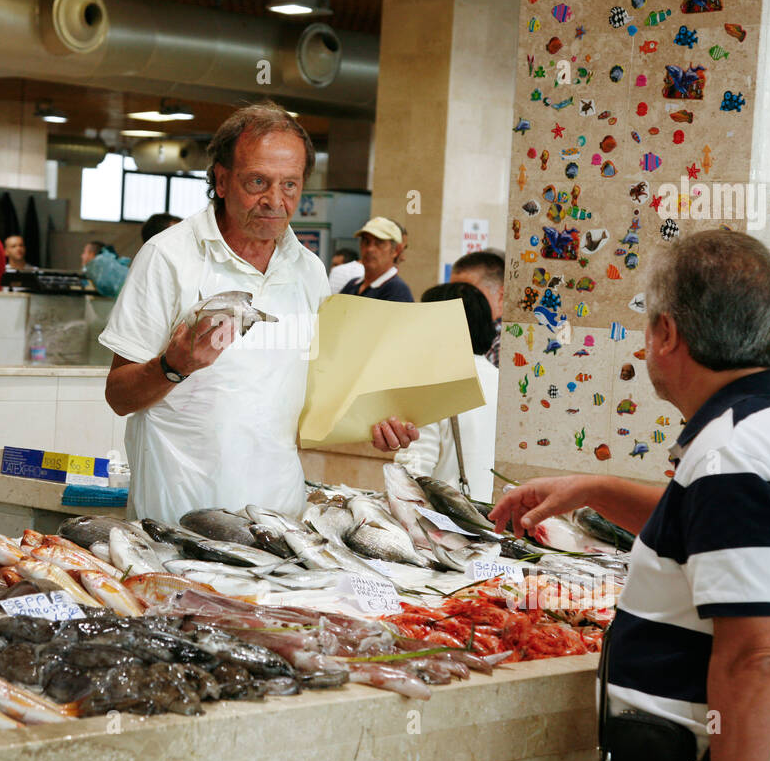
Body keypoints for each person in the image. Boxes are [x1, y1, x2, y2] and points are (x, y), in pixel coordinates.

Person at [490, 231, 770, 761]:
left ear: (666, 333)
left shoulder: (732, 456)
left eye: (648, 324)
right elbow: (714, 533)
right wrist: (592, 490)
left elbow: (753, 658)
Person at [100, 101, 417, 521]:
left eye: (290, 185)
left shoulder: (308, 270)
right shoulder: (168, 257)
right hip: (177, 518)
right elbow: (119, 396)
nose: (275, 200)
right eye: (258, 182)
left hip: (279, 519)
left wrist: (372, 422)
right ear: (222, 179)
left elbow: (315, 395)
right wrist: (173, 366)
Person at [397, 282, 498, 501]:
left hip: (449, 525)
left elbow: (411, 479)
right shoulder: (503, 383)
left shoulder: (433, 385)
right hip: (497, 522)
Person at [451, 250, 505, 366]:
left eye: (468, 293)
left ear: (501, 298)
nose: (458, 300)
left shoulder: (501, 348)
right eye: (453, 293)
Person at [340, 216, 414, 302]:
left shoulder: (397, 290)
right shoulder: (352, 285)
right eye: (366, 242)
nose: (370, 249)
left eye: (379, 243)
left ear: (395, 250)